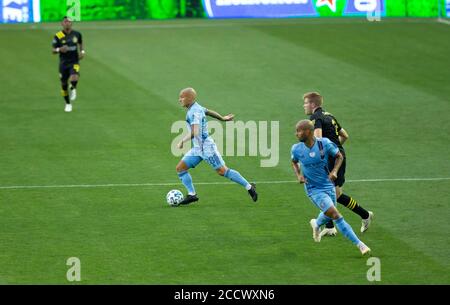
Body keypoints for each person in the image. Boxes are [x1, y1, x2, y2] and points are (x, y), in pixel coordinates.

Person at [291, 120, 371, 255]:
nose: (296, 134)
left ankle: (316, 224)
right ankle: (360, 245)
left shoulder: (324, 144)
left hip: (328, 185)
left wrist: (334, 171)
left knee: (329, 214)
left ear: (308, 132)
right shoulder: (296, 149)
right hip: (314, 189)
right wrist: (298, 175)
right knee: (335, 215)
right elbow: (294, 162)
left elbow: (339, 156)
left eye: (299, 131)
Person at [303, 92, 373, 236]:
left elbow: (318, 140)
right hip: (337, 156)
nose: (304, 106)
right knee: (333, 193)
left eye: (305, 103)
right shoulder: (330, 116)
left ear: (313, 104)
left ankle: (363, 215)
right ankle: (332, 226)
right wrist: (334, 150)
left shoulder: (315, 118)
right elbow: (344, 136)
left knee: (329, 193)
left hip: (331, 160)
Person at [175, 88, 258, 205]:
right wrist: (222, 118)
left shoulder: (194, 112)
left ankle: (249, 187)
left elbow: (195, 131)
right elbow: (208, 111)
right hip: (198, 148)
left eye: (182, 97)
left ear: (190, 98)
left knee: (223, 171)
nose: (179, 100)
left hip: (207, 148)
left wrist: (182, 141)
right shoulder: (196, 108)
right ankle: (192, 195)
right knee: (180, 168)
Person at [52, 16, 85, 112]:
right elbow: (53, 50)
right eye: (65, 22)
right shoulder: (58, 36)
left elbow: (81, 43)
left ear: (71, 23)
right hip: (63, 63)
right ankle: (68, 103)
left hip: (74, 61)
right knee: (63, 85)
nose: (67, 23)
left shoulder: (77, 34)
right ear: (62, 24)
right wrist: (59, 49)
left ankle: (73, 87)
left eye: (69, 21)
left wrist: (82, 52)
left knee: (74, 76)